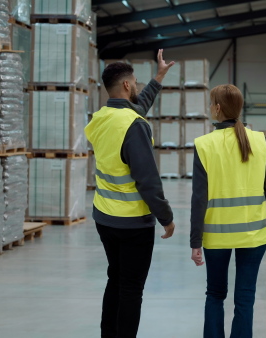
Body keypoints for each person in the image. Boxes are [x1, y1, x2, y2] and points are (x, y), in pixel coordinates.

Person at [84, 50, 177, 338]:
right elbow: (148, 181)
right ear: (126, 85)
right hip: (133, 223)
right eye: (135, 82)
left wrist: (158, 77)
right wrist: (167, 217)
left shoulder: (101, 117)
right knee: (131, 289)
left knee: (116, 279)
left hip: (104, 218)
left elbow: (135, 110)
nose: (137, 86)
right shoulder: (134, 125)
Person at [189, 84, 266, 338]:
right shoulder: (260, 140)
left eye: (210, 104)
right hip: (254, 234)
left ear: (217, 108)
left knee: (215, 294)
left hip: (216, 235)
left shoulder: (205, 144)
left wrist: (195, 241)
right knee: (245, 296)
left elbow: (199, 198)